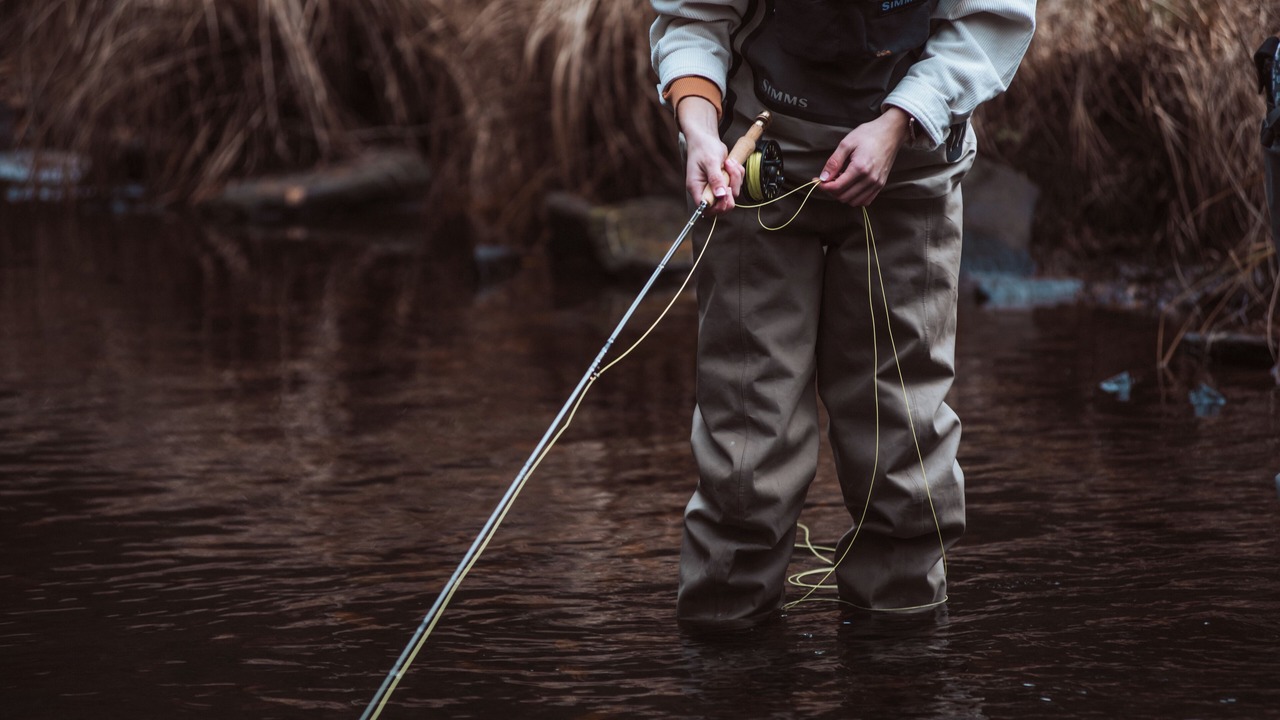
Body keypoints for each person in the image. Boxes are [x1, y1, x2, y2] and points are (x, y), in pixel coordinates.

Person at [650, 0, 1037, 629]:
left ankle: (905, 639)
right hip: (756, 169)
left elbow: (992, 18)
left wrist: (901, 120)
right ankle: (724, 635)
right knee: (748, 437)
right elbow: (695, 16)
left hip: (910, 162)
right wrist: (699, 129)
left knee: (903, 436)